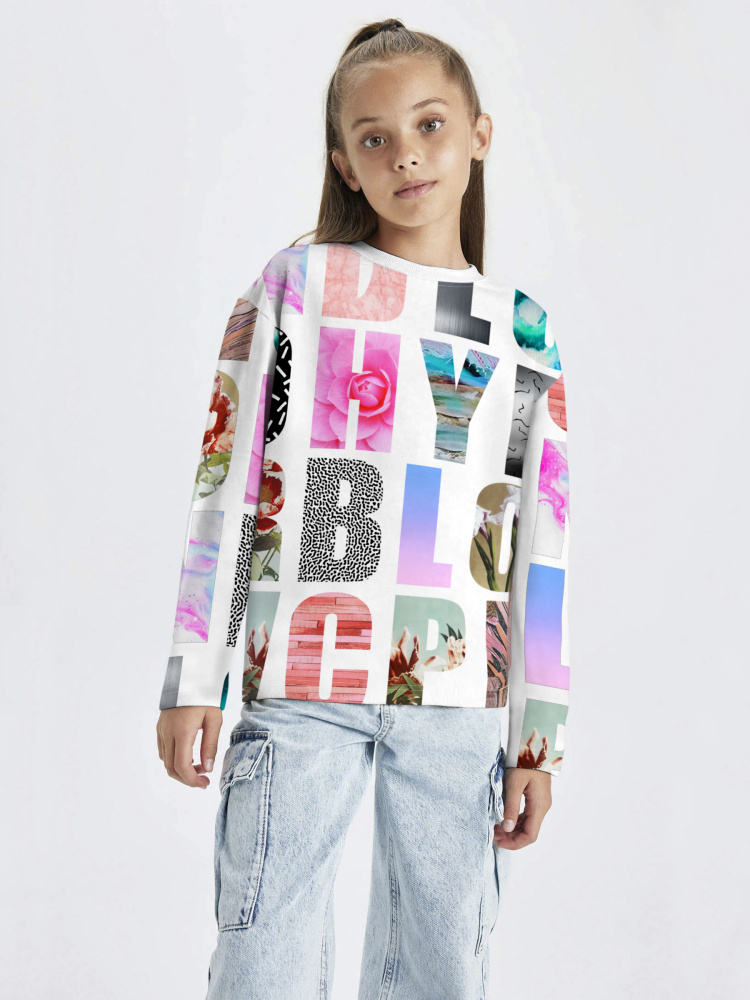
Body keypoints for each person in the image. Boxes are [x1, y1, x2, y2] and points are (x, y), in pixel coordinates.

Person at [155, 17, 572, 1000]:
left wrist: (537, 736)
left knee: (443, 966)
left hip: (458, 694)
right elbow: (229, 477)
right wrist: (194, 673)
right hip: (302, 679)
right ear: (344, 163)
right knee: (262, 954)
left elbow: (540, 542)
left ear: (479, 133)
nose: (406, 155)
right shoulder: (298, 288)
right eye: (374, 137)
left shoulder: (520, 331)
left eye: (429, 124)